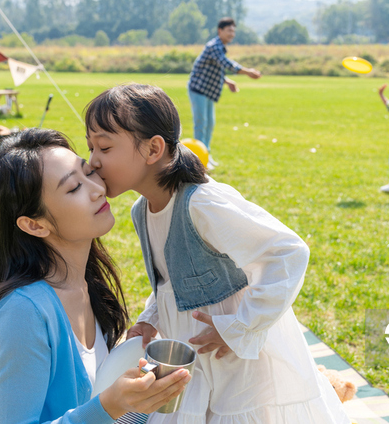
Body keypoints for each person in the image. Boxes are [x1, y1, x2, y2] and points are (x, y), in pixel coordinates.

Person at [85, 84, 350, 424]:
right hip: (194, 357)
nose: (92, 161)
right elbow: (171, 280)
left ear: (153, 149)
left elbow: (288, 252)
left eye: (104, 147)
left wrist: (238, 326)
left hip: (240, 363)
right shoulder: (142, 210)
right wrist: (149, 320)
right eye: (91, 146)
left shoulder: (203, 203)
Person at [0, 128, 191, 424]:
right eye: (73, 188)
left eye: (89, 172)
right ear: (35, 225)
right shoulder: (22, 315)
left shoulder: (84, 286)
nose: (98, 188)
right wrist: (109, 406)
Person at [187, 17, 261, 170]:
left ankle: (205, 155)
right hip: (199, 89)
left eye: (233, 31)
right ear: (220, 30)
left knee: (210, 123)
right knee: (201, 123)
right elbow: (226, 63)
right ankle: (198, 161)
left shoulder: (219, 46)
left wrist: (227, 81)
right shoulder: (214, 46)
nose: (232, 34)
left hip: (208, 90)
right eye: (229, 30)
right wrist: (247, 72)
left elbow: (216, 68)